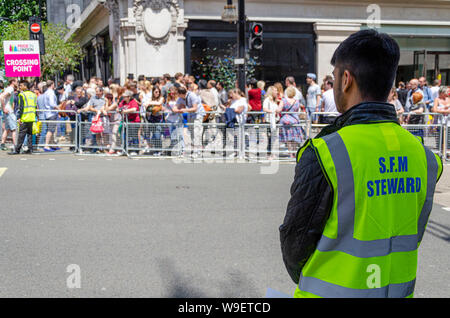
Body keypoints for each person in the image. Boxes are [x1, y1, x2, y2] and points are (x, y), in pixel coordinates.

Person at [280, 29, 443, 298]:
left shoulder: (326, 151)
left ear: (346, 80)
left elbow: (295, 244)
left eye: (334, 77)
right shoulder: (425, 157)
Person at [8, 80, 37, 154]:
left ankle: (17, 150)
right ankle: (30, 150)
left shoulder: (22, 95)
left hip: (24, 117)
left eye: (21, 85)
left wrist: (18, 117)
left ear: (25, 86)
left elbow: (21, 107)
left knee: (21, 135)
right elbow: (35, 106)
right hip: (31, 117)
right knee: (30, 134)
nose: (19, 87)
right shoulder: (33, 95)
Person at [279, 87, 303, 158]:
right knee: (294, 137)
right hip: (295, 120)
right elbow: (297, 110)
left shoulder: (283, 100)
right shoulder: (297, 101)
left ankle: (290, 153)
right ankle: (295, 152)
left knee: (288, 138)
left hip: (286, 120)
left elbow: (279, 109)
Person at [263, 85, 282, 159]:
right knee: (270, 138)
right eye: (275, 90)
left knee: (274, 138)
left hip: (276, 120)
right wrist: (272, 112)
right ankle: (268, 153)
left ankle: (272, 153)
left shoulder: (275, 100)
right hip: (269, 121)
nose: (277, 92)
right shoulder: (267, 100)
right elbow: (264, 108)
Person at [0, 78, 18, 151]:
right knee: (14, 129)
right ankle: (15, 146)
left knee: (7, 129)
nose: (18, 83)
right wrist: (4, 108)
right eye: (17, 81)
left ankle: (2, 144)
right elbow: (1, 97)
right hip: (8, 111)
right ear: (13, 82)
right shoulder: (10, 89)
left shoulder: (8, 88)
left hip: (7, 111)